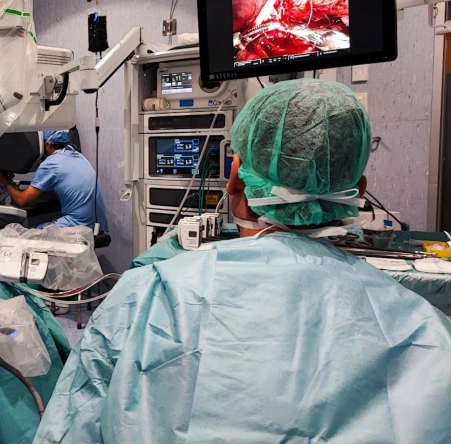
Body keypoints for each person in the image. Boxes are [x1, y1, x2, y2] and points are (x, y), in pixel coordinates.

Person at [34, 80, 451, 443]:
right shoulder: (428, 332)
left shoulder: (147, 295)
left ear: (234, 180)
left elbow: (71, 425)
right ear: (357, 190)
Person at [0, 130, 109, 232]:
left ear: (48, 145)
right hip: (97, 225)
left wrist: (5, 181)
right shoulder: (79, 157)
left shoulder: (51, 163)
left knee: (29, 235)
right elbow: (65, 193)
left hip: (78, 225)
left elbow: (21, 201)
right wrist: (30, 194)